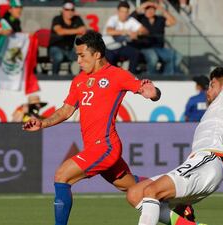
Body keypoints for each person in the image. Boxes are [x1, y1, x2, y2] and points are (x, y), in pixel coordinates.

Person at [23, 30, 161, 225]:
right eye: (77, 56)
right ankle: (177, 202)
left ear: (97, 54)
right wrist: (42, 122)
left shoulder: (117, 75)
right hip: (94, 148)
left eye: (82, 56)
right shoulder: (79, 80)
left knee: (62, 175)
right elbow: (65, 111)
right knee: (133, 188)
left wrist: (152, 92)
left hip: (106, 146)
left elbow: (147, 90)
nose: (78, 61)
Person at [127, 13, 223, 225]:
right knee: (135, 193)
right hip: (200, 163)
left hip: (209, 161)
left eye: (212, 85)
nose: (207, 91)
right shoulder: (216, 112)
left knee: (150, 192)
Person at [132, 0, 182, 75]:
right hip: (145, 48)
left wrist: (161, 8)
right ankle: (152, 77)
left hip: (159, 48)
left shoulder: (160, 19)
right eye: (148, 9)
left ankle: (167, 75)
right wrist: (145, 4)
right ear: (144, 10)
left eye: (152, 9)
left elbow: (173, 21)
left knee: (177, 56)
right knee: (153, 58)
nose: (150, 11)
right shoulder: (140, 18)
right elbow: (130, 17)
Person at [103, 1, 148, 74]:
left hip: (120, 47)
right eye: (122, 11)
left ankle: (131, 76)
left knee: (135, 53)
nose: (124, 14)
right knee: (109, 61)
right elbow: (109, 31)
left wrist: (136, 33)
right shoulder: (113, 19)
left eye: (126, 12)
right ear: (118, 12)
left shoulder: (131, 20)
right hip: (107, 48)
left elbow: (145, 31)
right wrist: (126, 32)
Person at [49, 1, 86, 75]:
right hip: (56, 47)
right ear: (62, 10)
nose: (69, 12)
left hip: (69, 49)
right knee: (58, 56)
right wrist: (76, 30)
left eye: (72, 10)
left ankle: (81, 77)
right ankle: (54, 76)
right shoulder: (57, 19)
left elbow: (84, 30)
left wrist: (67, 31)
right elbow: (60, 31)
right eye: (67, 9)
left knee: (83, 56)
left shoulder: (77, 19)